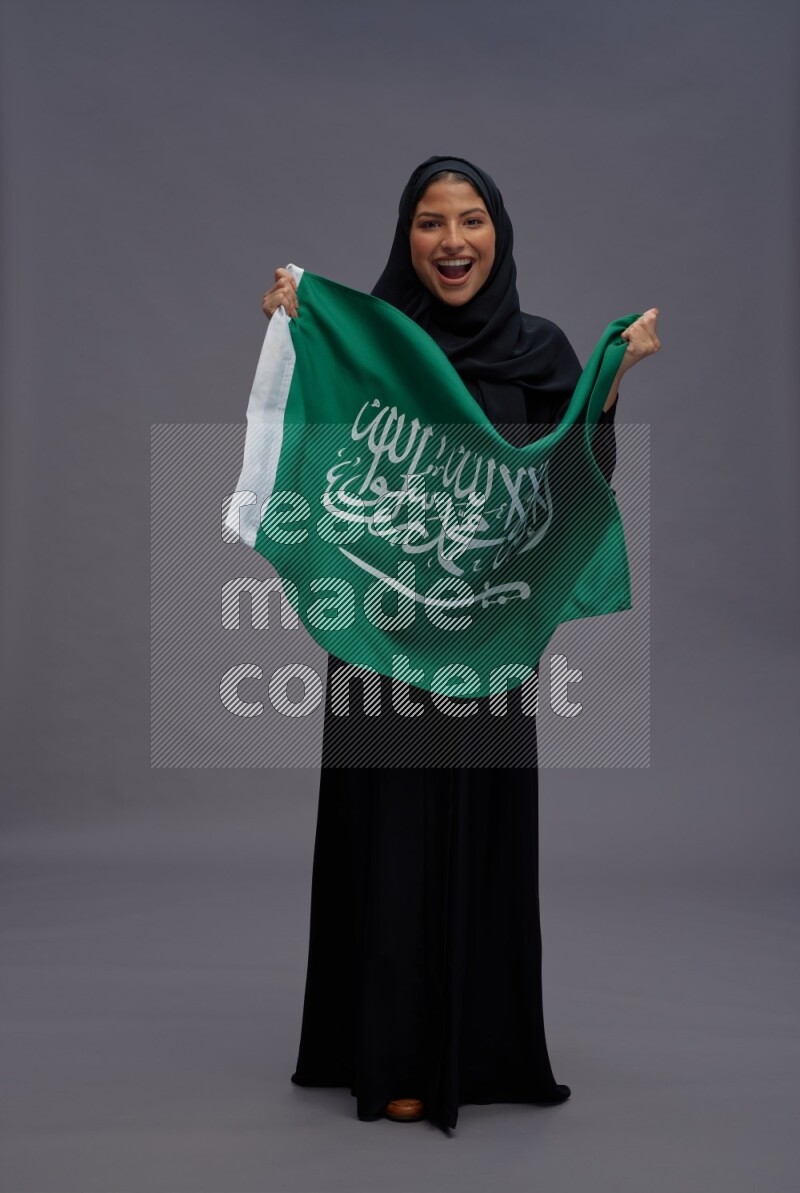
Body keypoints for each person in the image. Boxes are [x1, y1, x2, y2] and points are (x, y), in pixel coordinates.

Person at [261, 155, 660, 1134]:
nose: (451, 241)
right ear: (406, 235)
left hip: (487, 641)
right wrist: (295, 331)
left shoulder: (540, 349)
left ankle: (481, 1050)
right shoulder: (373, 346)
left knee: (481, 833)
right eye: (430, 221)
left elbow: (574, 482)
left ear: (497, 233)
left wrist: (608, 384)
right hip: (376, 636)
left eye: (470, 219)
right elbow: (312, 450)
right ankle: (388, 1054)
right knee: (388, 839)